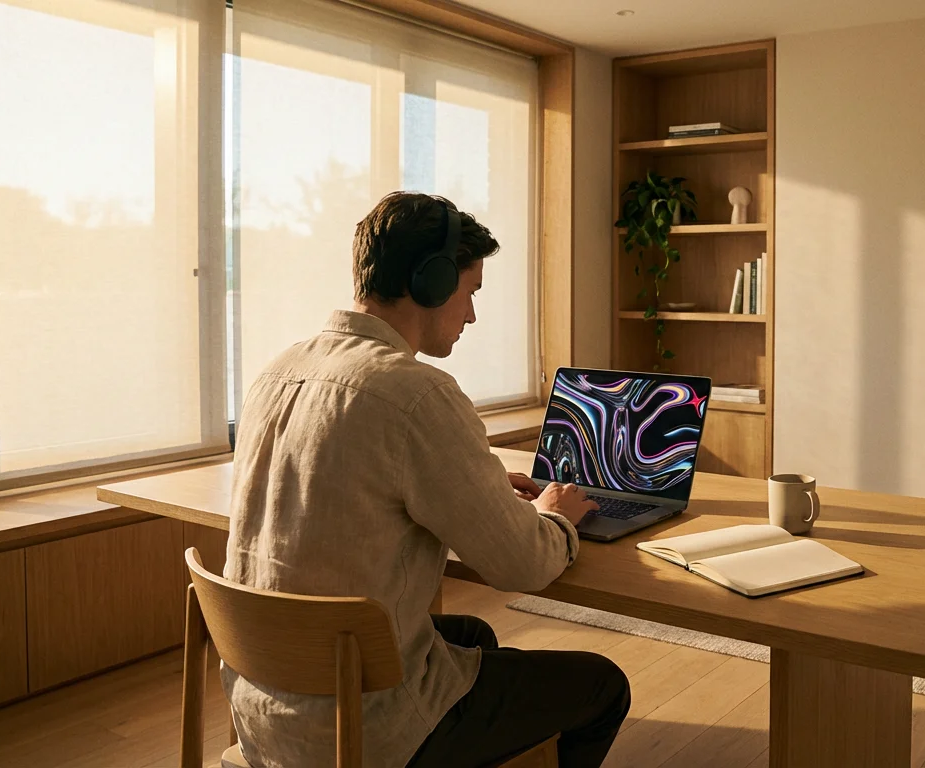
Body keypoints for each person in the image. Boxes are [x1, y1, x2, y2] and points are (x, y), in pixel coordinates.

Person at [223, 192, 630, 768]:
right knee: (603, 685)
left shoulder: (278, 369)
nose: (470, 315)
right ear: (433, 283)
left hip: (265, 706)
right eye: (470, 293)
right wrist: (555, 514)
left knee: (473, 638)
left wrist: (484, 488)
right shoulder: (415, 395)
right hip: (363, 728)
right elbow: (522, 566)